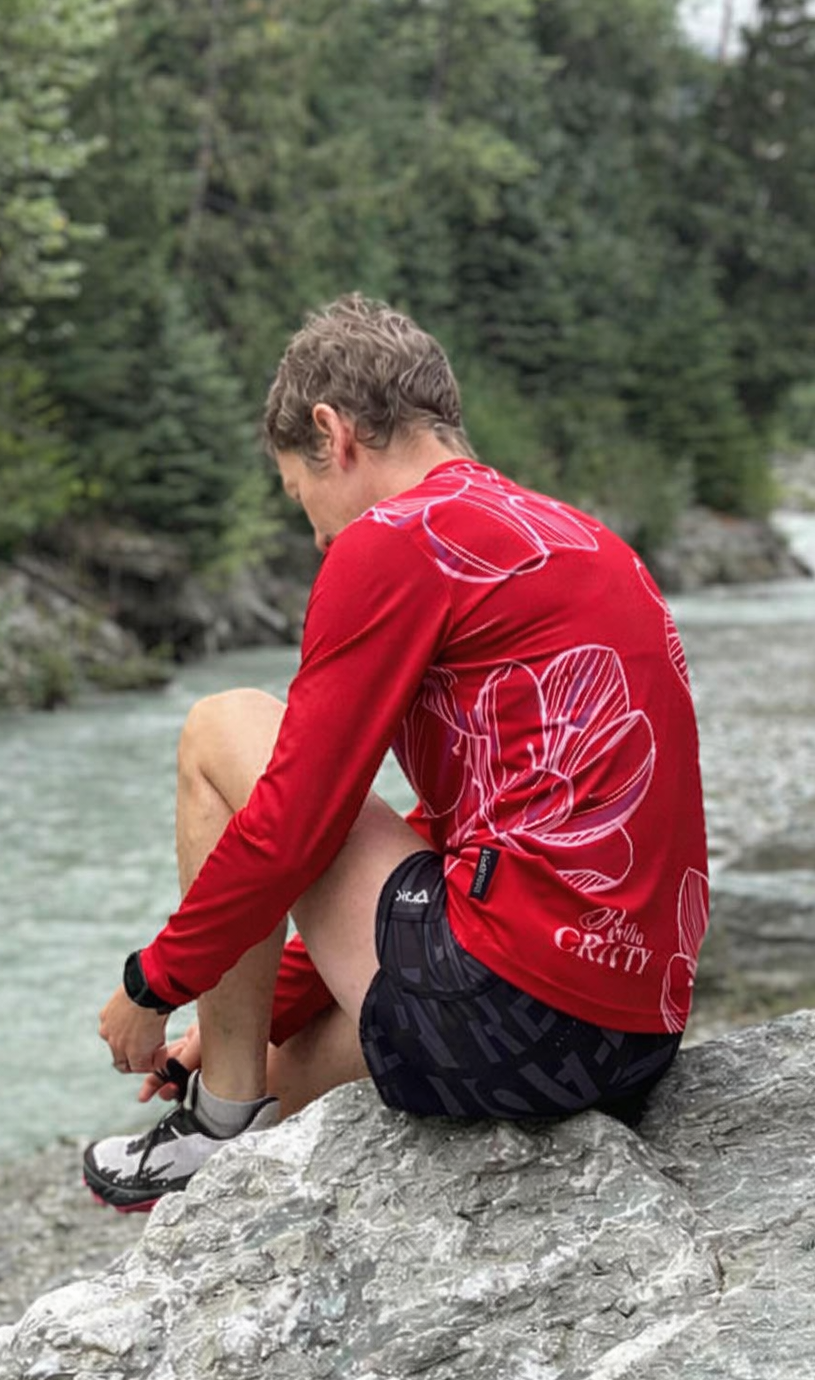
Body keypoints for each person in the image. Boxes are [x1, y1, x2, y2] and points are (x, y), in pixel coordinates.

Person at [84, 294, 709, 1212]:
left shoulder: (395, 539)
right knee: (278, 1068)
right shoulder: (575, 537)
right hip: (625, 1041)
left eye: (306, 501)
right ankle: (229, 1109)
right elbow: (460, 830)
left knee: (223, 723)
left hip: (507, 1011)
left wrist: (156, 981)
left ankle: (218, 1115)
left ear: (334, 435)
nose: (317, 537)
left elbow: (296, 821)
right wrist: (265, 1013)